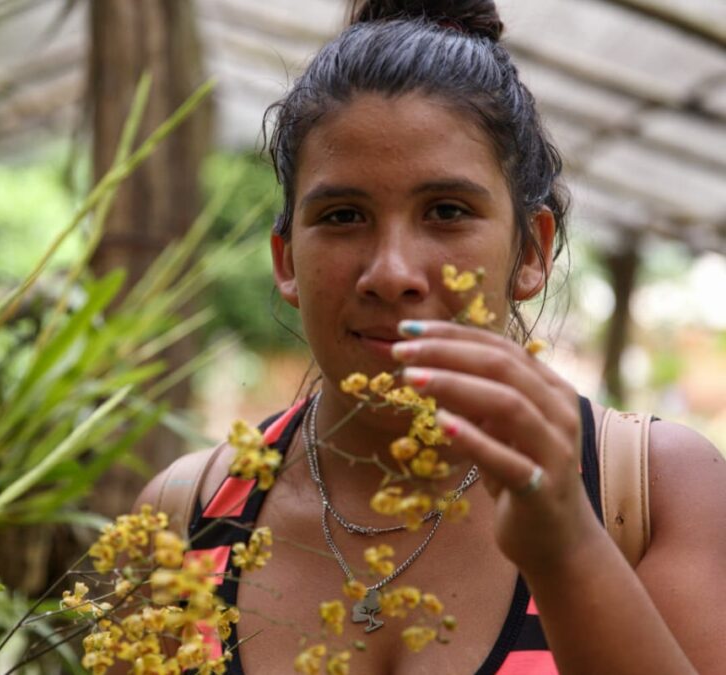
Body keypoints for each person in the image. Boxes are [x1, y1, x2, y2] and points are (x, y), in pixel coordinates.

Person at [134, 1, 726, 673]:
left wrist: (565, 549)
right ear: (286, 261)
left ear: (530, 252)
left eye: (447, 211)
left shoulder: (649, 492)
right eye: (343, 215)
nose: (391, 272)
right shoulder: (184, 521)